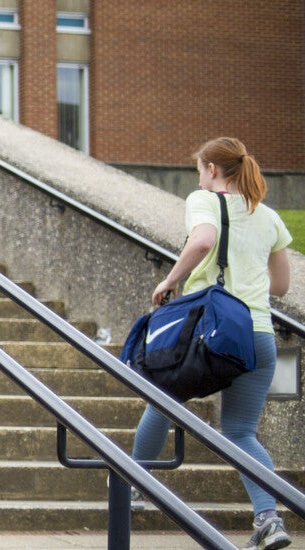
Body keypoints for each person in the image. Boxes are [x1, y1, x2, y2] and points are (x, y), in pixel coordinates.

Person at [131, 137, 293, 550]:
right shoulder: (269, 217)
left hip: (211, 335)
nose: (199, 177)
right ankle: (269, 518)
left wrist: (170, 281)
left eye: (200, 170)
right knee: (240, 431)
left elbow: (203, 240)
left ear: (213, 171)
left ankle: (134, 487)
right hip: (257, 335)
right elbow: (281, 286)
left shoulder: (204, 200)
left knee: (162, 400)